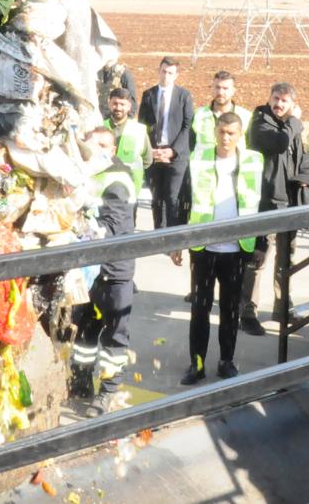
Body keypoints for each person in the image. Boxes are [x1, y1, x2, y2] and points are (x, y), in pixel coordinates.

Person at [178, 111, 262, 384]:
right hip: (204, 249)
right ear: (215, 131)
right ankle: (197, 364)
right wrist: (177, 242)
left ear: (240, 135)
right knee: (200, 310)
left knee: (230, 310)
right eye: (221, 132)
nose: (225, 138)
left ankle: (226, 361)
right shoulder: (199, 159)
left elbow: (262, 203)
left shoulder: (252, 162)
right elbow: (184, 198)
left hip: (236, 250)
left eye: (231, 133)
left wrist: (260, 243)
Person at [70, 128, 139, 411]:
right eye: (91, 144)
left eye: (102, 146)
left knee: (114, 335)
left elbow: (111, 225)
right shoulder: (90, 174)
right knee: (86, 330)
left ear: (112, 150)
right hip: (92, 270)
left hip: (114, 269)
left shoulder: (117, 180)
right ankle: (81, 380)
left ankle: (108, 391)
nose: (94, 150)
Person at [245, 83, 309, 333]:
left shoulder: (290, 128)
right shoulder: (260, 122)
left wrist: (308, 178)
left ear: (292, 103)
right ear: (269, 98)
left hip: (288, 203)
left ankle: (282, 307)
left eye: (284, 101)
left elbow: (300, 156)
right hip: (265, 202)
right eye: (276, 98)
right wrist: (295, 121)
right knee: (258, 259)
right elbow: (279, 143)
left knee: (286, 259)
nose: (279, 104)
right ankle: (247, 311)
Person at [191, 71, 254, 309]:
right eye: (217, 87)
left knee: (230, 302)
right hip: (203, 187)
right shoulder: (200, 116)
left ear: (233, 91)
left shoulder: (246, 117)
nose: (221, 92)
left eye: (226, 88)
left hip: (234, 186)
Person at [139, 57, 194, 231]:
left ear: (176, 75)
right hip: (155, 153)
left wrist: (172, 151)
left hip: (175, 155)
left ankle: (172, 236)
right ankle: (158, 234)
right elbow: (143, 125)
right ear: (158, 71)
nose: (166, 76)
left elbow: (187, 126)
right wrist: (150, 150)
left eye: (170, 73)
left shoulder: (184, 96)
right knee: (156, 198)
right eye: (163, 71)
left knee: (172, 198)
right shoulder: (149, 95)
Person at [103, 87, 152, 192]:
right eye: (115, 103)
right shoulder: (99, 127)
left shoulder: (139, 130)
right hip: (102, 187)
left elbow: (148, 160)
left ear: (129, 106)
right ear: (109, 104)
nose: (118, 107)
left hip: (129, 188)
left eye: (122, 104)